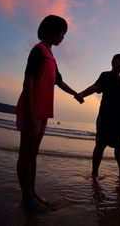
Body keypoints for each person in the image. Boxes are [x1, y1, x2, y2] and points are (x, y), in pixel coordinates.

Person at [16, 15, 84, 212]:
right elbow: (27, 82)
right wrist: (30, 115)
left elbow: (59, 82)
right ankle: (26, 198)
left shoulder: (50, 56)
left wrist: (76, 94)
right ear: (51, 31)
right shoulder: (38, 51)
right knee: (26, 154)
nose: (63, 36)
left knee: (33, 154)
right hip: (31, 111)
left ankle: (32, 194)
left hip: (43, 112)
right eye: (61, 32)